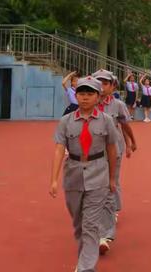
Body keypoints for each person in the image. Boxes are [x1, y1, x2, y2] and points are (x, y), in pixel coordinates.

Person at [50, 76, 118, 272]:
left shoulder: (106, 121)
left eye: (90, 94)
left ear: (98, 97)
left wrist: (112, 178)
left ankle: (85, 268)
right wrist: (54, 180)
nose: (85, 98)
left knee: (90, 225)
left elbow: (112, 150)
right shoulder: (65, 121)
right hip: (73, 175)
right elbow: (58, 149)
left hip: (98, 174)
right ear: (76, 96)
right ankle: (85, 262)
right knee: (79, 225)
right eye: (81, 93)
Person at [92, 69, 136, 255]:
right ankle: (98, 220)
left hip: (113, 150)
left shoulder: (117, 105)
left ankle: (105, 234)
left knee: (110, 185)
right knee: (94, 188)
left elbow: (125, 125)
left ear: (112, 86)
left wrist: (131, 143)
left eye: (105, 83)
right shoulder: (87, 103)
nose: (101, 86)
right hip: (93, 152)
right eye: (98, 82)